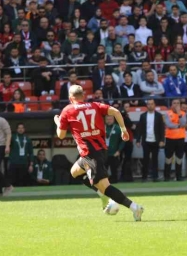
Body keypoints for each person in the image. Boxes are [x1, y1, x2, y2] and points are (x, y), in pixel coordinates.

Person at [54, 85, 144, 220]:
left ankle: (134, 207)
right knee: (74, 172)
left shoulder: (67, 110)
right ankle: (103, 196)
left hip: (90, 153)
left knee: (105, 187)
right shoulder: (94, 105)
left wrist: (57, 121)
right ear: (83, 96)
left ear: (70, 98)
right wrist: (124, 130)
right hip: (99, 150)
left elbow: (60, 135)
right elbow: (116, 112)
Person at [135, 98, 165, 182]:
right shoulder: (143, 116)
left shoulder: (159, 116)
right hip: (146, 140)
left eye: (152, 104)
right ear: (146, 105)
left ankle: (155, 177)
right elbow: (139, 129)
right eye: (148, 104)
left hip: (156, 140)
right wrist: (138, 140)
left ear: (154, 105)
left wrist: (162, 140)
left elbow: (161, 129)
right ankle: (144, 177)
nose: (150, 105)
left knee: (155, 159)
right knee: (145, 159)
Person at [163, 98, 187, 181]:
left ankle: (178, 176)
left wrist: (179, 114)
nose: (176, 105)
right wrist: (178, 126)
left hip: (180, 138)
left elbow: (183, 123)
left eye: (178, 103)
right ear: (171, 104)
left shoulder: (183, 113)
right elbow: (169, 124)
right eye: (174, 103)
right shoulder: (167, 113)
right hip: (170, 138)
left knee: (179, 158)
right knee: (168, 158)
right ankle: (166, 176)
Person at [8, 122, 33, 187]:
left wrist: (31, 164)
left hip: (24, 163)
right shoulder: (12, 138)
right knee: (13, 181)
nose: (20, 129)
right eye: (19, 128)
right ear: (16, 129)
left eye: (22, 128)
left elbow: (31, 152)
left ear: (24, 129)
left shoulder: (28, 139)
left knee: (22, 182)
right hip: (14, 163)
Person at [105, 114, 125, 183]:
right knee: (103, 169)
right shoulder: (102, 128)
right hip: (104, 153)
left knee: (114, 169)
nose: (109, 121)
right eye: (107, 119)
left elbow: (123, 140)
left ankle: (114, 182)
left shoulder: (117, 128)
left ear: (113, 120)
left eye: (110, 119)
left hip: (114, 153)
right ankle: (103, 182)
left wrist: (119, 151)